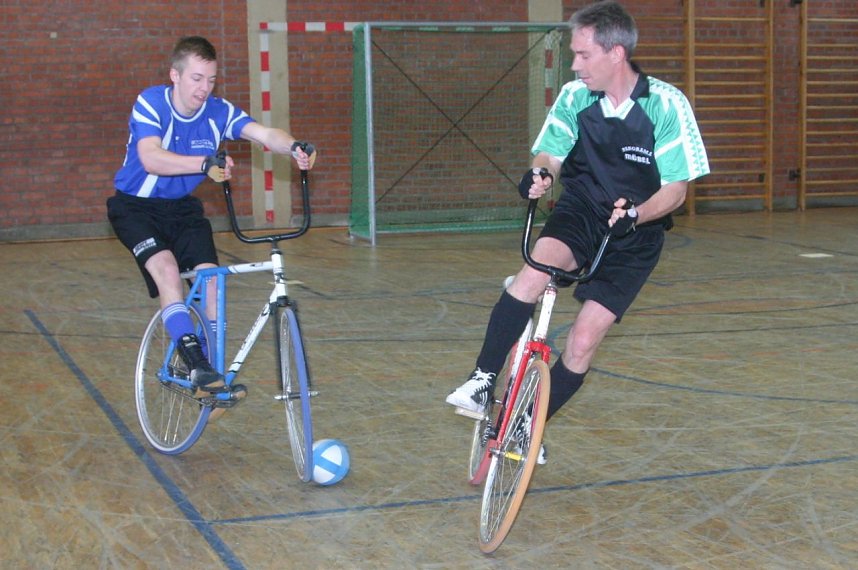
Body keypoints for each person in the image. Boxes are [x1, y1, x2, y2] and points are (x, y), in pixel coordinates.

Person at [445, 1, 709, 461]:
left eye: (584, 55)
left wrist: (637, 214)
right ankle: (484, 379)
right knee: (534, 272)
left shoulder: (666, 105)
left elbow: (676, 190)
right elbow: (549, 152)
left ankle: (527, 427)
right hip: (582, 210)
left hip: (637, 233)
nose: (575, 64)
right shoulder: (574, 97)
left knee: (583, 342)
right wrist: (541, 175)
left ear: (616, 54)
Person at [108, 36, 316, 401]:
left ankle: (212, 375)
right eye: (197, 78)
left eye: (211, 80)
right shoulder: (151, 102)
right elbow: (151, 158)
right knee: (168, 270)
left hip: (182, 209)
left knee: (212, 281)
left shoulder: (218, 111)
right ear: (175, 75)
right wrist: (204, 164)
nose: (205, 88)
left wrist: (294, 146)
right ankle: (194, 363)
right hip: (135, 208)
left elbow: (265, 134)